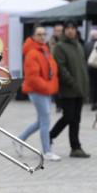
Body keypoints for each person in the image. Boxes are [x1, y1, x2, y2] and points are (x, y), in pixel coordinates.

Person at [16, 25, 60, 162]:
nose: (42, 36)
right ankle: (47, 151)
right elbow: (33, 76)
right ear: (33, 36)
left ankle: (19, 140)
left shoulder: (42, 50)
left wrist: (49, 86)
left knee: (41, 120)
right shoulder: (32, 52)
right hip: (38, 91)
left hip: (44, 90)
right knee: (45, 119)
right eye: (39, 34)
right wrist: (47, 87)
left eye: (44, 34)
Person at [49, 21, 90, 158]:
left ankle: (76, 147)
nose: (70, 31)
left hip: (79, 89)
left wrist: (84, 86)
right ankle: (50, 136)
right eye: (68, 29)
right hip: (68, 90)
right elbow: (61, 68)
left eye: (73, 28)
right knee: (68, 116)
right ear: (64, 31)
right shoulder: (60, 47)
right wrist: (72, 83)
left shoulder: (78, 45)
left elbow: (82, 67)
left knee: (76, 119)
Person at [84, 27, 97, 109]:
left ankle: (92, 101)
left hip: (89, 66)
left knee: (91, 84)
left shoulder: (86, 44)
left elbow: (85, 56)